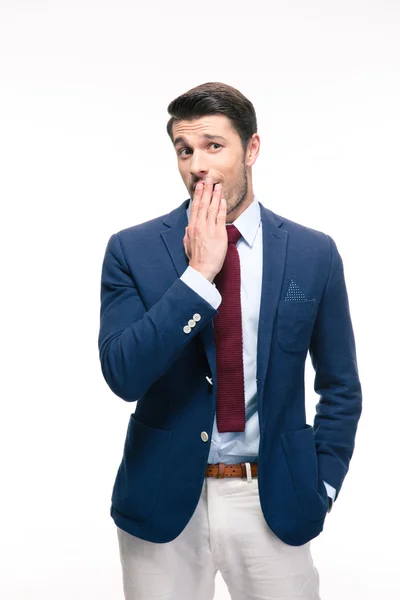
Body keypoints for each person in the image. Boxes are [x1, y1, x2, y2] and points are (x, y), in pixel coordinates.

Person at [98, 81, 362, 600]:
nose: (197, 164)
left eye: (214, 146)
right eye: (184, 149)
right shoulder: (132, 249)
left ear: (252, 149)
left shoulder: (313, 253)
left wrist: (322, 486)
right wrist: (198, 275)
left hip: (274, 499)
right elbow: (123, 374)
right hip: (163, 500)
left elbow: (341, 386)